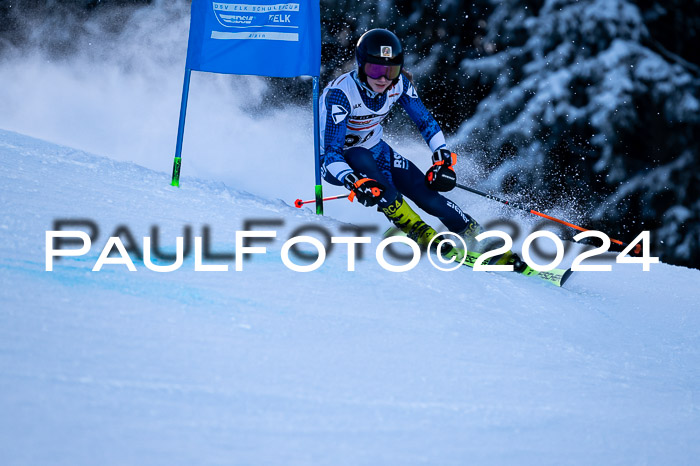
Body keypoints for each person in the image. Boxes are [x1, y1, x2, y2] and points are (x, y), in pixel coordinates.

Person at [319, 28, 523, 269]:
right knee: (373, 175)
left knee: (427, 195)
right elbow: (331, 153)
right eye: (375, 69)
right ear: (361, 65)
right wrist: (353, 181)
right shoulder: (340, 95)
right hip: (337, 163)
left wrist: (442, 160)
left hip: (377, 149)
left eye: (391, 71)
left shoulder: (399, 84)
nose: (383, 79)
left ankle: (478, 239)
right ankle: (418, 231)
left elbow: (425, 122)